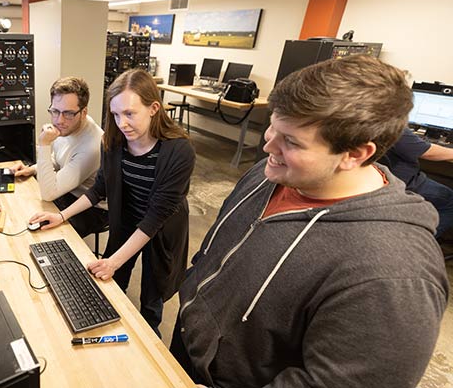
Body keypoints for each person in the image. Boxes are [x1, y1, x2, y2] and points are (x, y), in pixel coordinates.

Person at [171, 55, 449, 387]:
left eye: (291, 141)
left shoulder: (394, 275)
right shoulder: (271, 174)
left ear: (355, 154)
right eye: (274, 125)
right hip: (189, 350)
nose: (268, 143)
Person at [29, 69, 195, 336]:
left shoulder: (179, 151)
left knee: (152, 296)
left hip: (162, 229)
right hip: (127, 219)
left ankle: (150, 341)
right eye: (116, 115)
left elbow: (155, 217)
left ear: (154, 108)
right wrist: (62, 217)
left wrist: (114, 261)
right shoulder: (114, 141)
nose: (122, 123)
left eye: (130, 113)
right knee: (114, 282)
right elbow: (99, 191)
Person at [11, 77, 108, 238]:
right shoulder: (69, 127)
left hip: (92, 208)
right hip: (68, 191)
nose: (59, 120)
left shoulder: (91, 147)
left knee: (43, 236)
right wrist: (32, 169)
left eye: (68, 113)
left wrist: (44, 144)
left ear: (83, 113)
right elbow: (58, 160)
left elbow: (49, 193)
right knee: (24, 209)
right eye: (55, 111)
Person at [381, 127, 453, 238]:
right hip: (402, 184)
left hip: (382, 181)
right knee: (450, 202)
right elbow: (427, 152)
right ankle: (418, 246)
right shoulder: (389, 125)